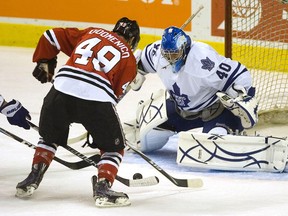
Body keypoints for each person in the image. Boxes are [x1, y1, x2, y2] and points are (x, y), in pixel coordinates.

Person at [16, 17, 140, 208]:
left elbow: (50, 36)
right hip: (96, 100)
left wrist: (45, 60)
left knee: (49, 137)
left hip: (60, 90)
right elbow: (113, 97)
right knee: (113, 149)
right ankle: (103, 188)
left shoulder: (91, 32)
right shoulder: (129, 59)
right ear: (132, 41)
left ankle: (32, 177)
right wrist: (95, 128)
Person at [126, 26, 258, 153]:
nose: (170, 60)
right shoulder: (157, 53)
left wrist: (243, 96)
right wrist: (135, 72)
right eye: (167, 55)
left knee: (212, 148)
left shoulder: (203, 59)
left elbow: (239, 74)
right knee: (145, 140)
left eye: (174, 55)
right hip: (180, 110)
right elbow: (142, 63)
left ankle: (230, 128)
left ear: (184, 48)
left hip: (214, 111)